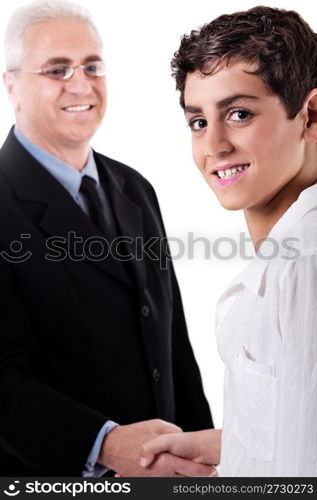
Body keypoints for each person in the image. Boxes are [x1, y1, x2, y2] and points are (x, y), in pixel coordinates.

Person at [0, 0, 214, 477]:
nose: (81, 84)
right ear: (11, 86)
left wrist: (200, 458)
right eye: (57, 69)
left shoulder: (135, 188)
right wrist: (106, 445)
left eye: (92, 65)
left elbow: (174, 344)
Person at [140, 6, 317, 476]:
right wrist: (231, 443)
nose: (213, 145)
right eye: (198, 121)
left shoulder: (303, 266)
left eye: (239, 114)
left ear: (311, 115)